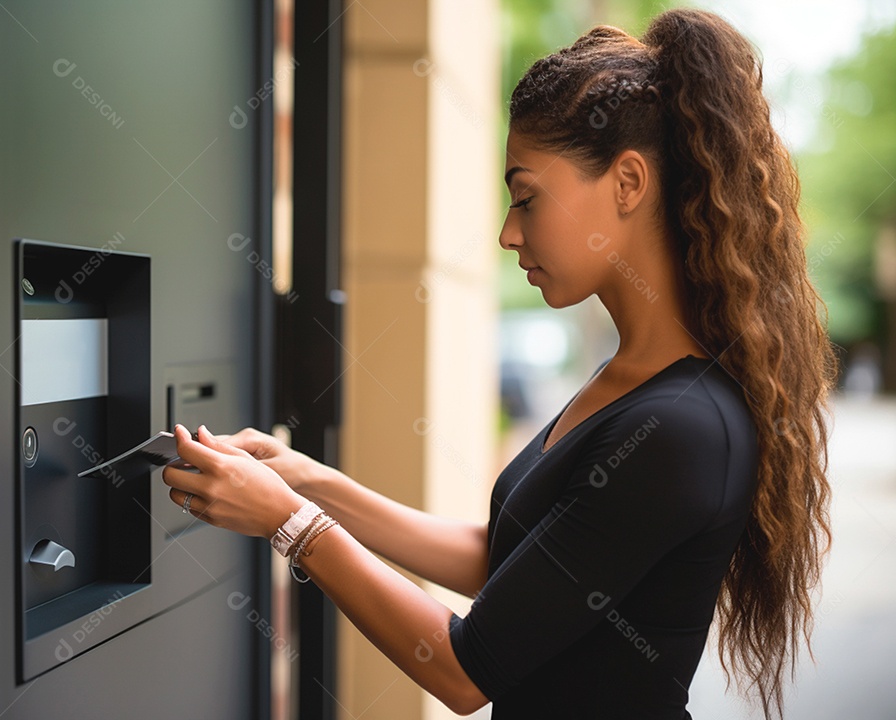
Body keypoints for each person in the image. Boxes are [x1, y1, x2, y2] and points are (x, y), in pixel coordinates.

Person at [162, 7, 837, 718]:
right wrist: (311, 481)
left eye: (526, 197)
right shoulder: (629, 383)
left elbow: (465, 669)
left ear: (628, 183)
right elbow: (512, 561)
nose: (508, 233)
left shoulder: (680, 428)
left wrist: (290, 523)